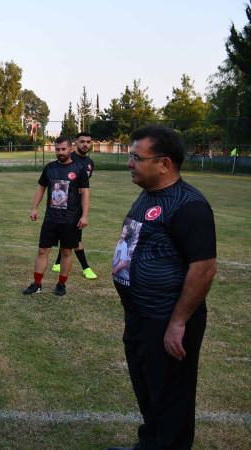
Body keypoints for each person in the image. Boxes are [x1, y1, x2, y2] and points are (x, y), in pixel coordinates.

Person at [108, 126, 216, 450]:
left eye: (136, 158)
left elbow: (204, 268)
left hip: (167, 320)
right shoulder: (148, 195)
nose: (129, 163)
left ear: (164, 164)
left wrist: (178, 322)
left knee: (172, 400)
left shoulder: (190, 205)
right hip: (141, 317)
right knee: (149, 391)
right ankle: (149, 444)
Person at [23, 136, 89, 297]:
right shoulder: (50, 168)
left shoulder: (79, 169)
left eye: (63, 149)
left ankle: (61, 284)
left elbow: (85, 193)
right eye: (57, 149)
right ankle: (37, 284)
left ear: (71, 149)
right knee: (42, 250)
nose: (60, 152)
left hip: (70, 219)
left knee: (66, 251)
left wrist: (84, 216)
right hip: (51, 218)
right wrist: (34, 208)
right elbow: (41, 188)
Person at [52, 132, 97, 279]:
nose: (85, 144)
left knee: (71, 235)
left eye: (88, 142)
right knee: (75, 238)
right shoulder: (69, 159)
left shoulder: (90, 162)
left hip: (78, 205)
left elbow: (85, 188)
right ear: (74, 145)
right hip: (65, 205)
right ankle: (86, 268)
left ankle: (58, 263)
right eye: (82, 141)